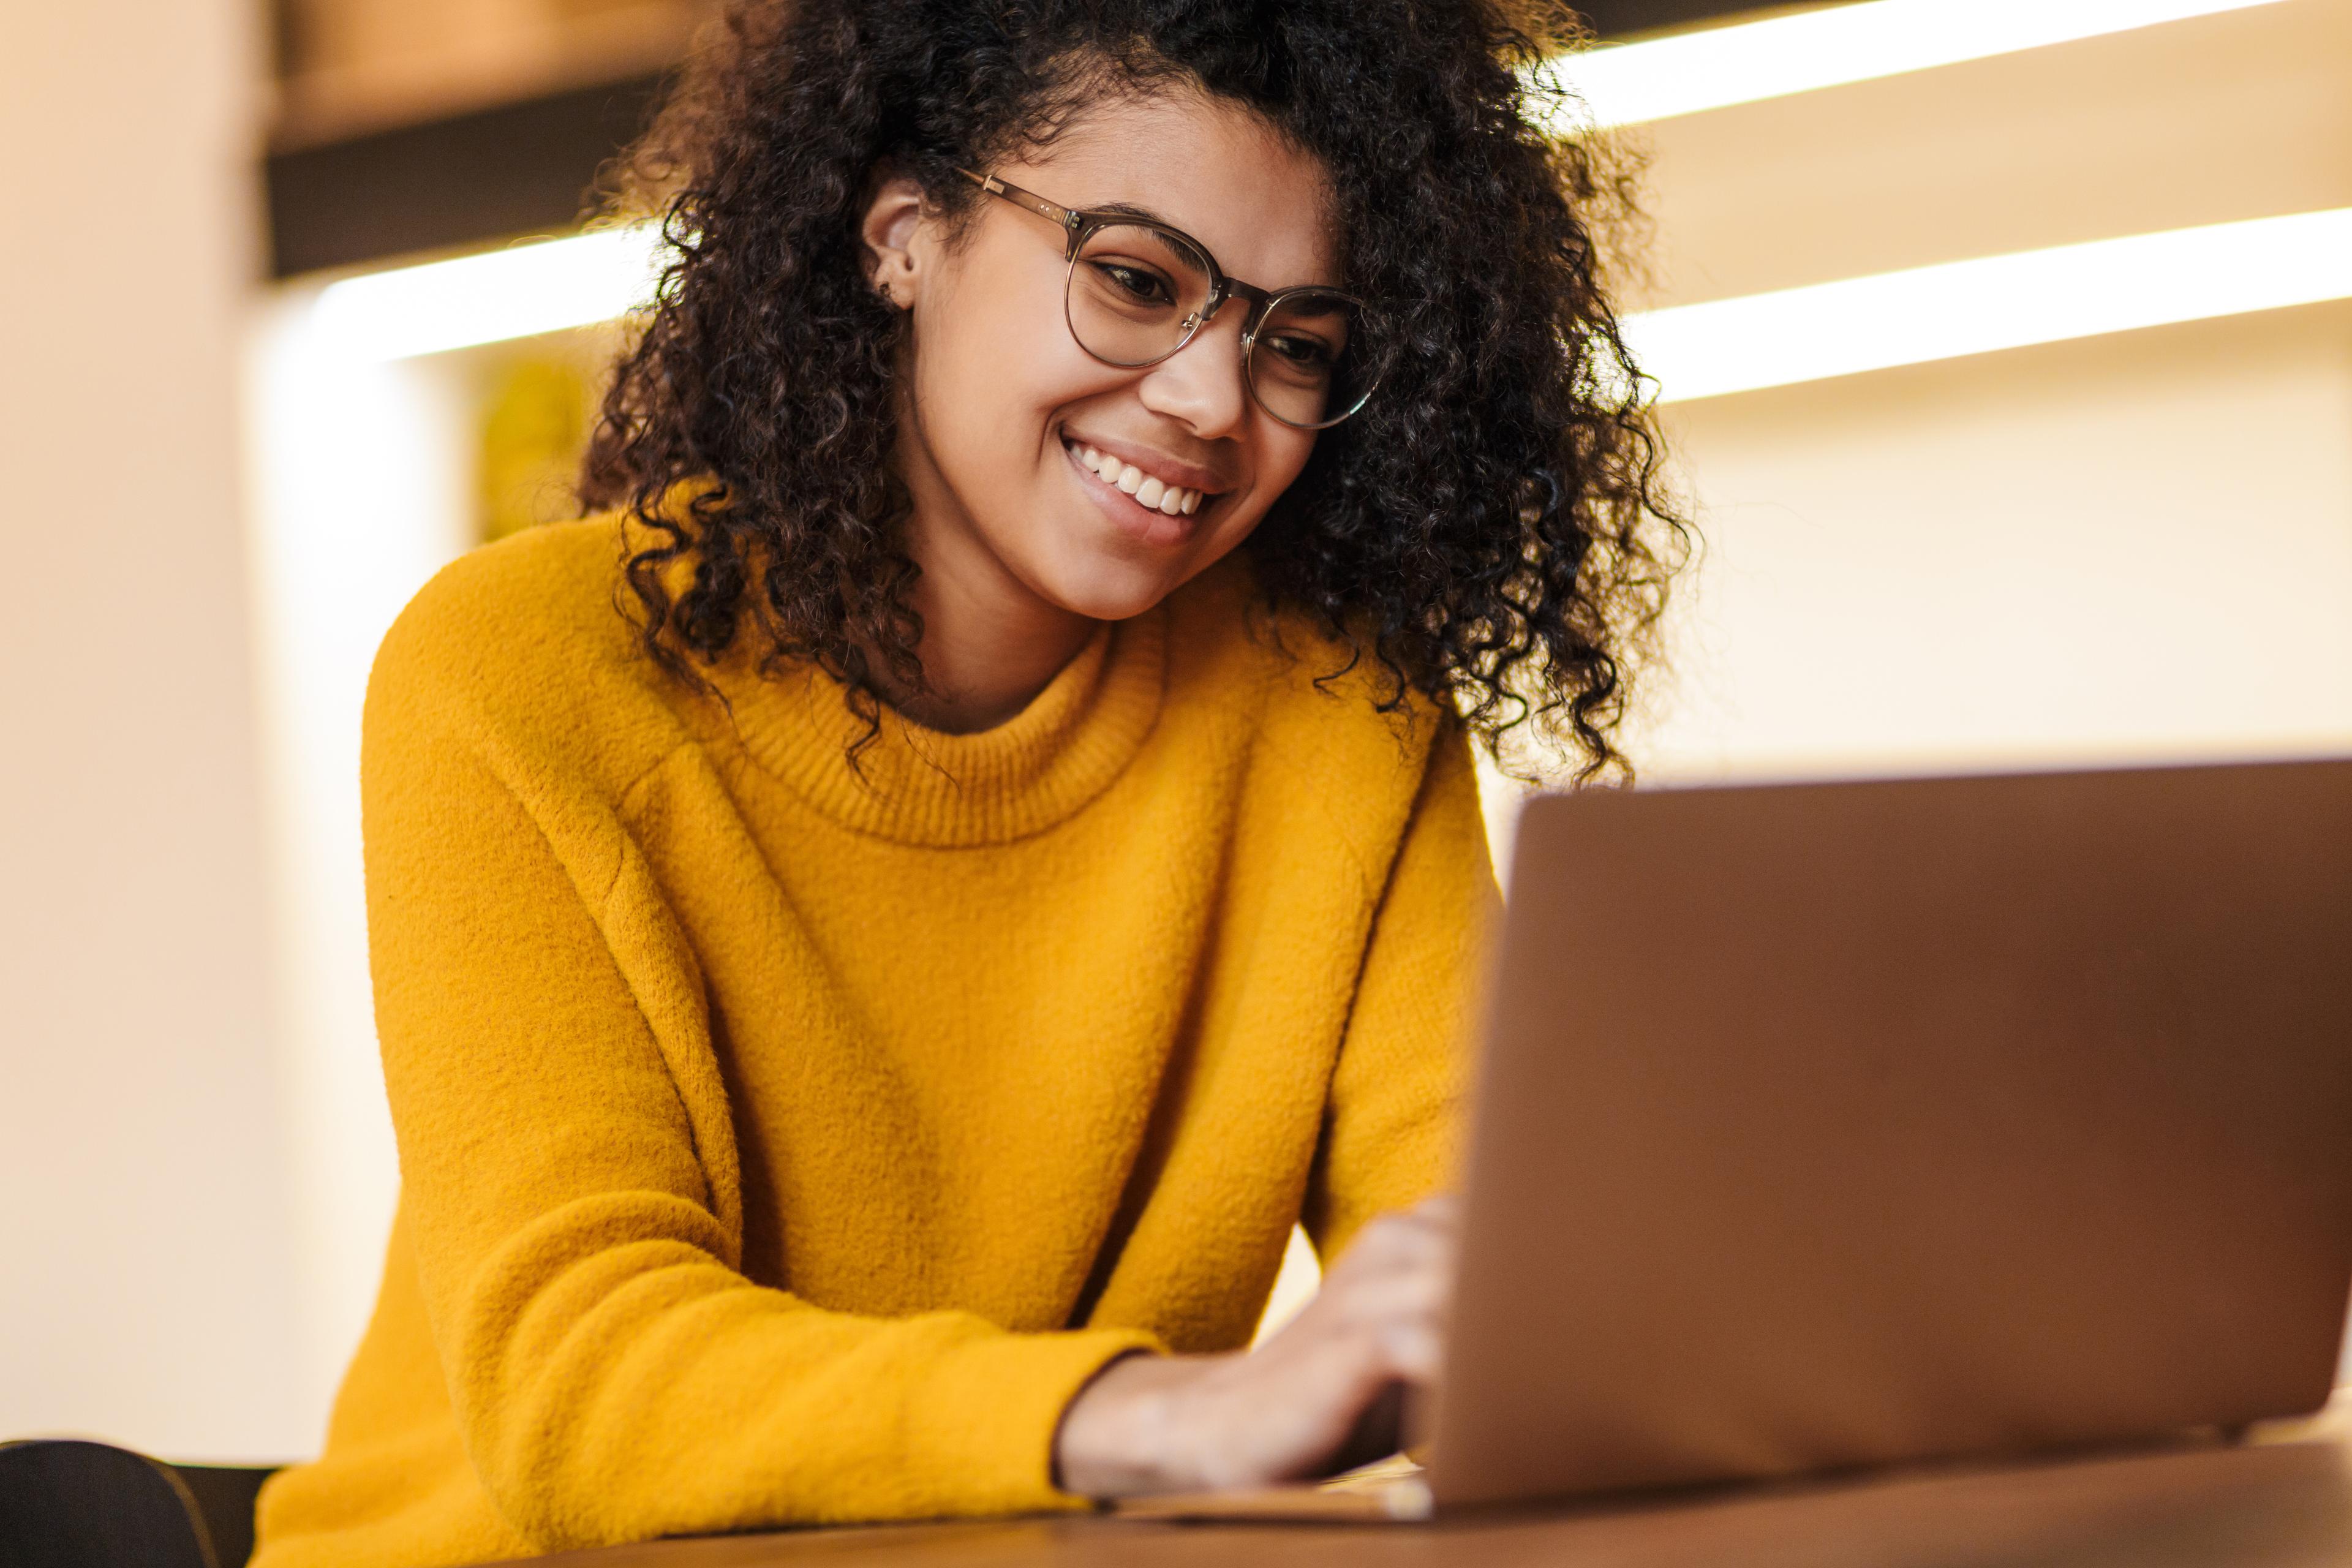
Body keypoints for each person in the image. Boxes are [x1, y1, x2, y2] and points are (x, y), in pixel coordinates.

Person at [253, 0, 1681, 1561]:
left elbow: (1484, 1259)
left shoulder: (1337, 714)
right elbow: (581, 1381)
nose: (1213, 402)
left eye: (1300, 345)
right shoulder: (522, 675)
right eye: (1137, 280)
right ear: (905, 236)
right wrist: (1160, 1416)